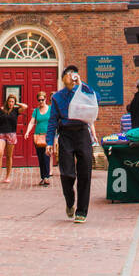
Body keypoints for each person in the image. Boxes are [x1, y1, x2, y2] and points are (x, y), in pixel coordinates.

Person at [47, 65, 98, 224]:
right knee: (67, 173)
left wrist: (82, 84)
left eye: (74, 73)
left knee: (85, 172)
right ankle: (70, 201)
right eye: (69, 74)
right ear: (63, 78)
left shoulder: (82, 91)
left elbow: (96, 99)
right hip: (66, 134)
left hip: (82, 132)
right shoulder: (57, 97)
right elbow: (53, 120)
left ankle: (82, 211)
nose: (72, 76)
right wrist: (50, 141)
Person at [0, 93, 26, 184]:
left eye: (12, 102)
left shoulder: (16, 110)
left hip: (11, 134)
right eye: (9, 101)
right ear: (7, 102)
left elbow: (25, 106)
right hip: (1, 134)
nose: (11, 103)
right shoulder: (1, 110)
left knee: (9, 156)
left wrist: (17, 103)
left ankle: (7, 176)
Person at [24, 91, 52, 185]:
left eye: (42, 100)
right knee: (40, 157)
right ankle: (43, 177)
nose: (40, 102)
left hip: (47, 136)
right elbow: (32, 122)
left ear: (46, 99)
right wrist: (27, 132)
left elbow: (54, 121)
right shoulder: (36, 111)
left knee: (46, 156)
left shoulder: (50, 109)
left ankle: (47, 177)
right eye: (39, 100)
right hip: (38, 136)